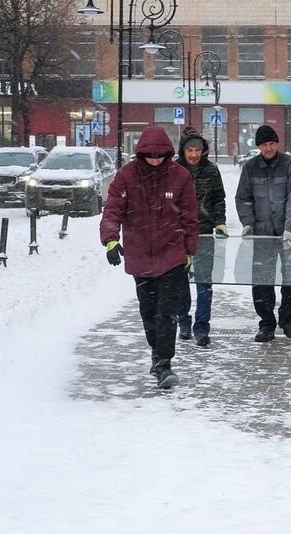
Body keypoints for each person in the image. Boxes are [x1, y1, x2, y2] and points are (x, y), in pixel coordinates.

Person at [100, 126, 199, 389]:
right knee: (148, 312)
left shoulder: (180, 176)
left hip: (172, 255)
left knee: (166, 312)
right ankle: (157, 355)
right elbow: (112, 210)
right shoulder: (126, 177)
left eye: (160, 155)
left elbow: (189, 216)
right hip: (140, 255)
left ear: (167, 153)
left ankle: (164, 363)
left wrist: (189, 250)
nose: (155, 160)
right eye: (150, 155)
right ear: (141, 153)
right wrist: (111, 240)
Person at [235, 125, 291, 342]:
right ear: (259, 146)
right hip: (262, 234)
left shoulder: (289, 165)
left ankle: (288, 319)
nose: (269, 147)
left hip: (289, 234)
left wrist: (290, 228)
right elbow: (243, 198)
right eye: (265, 144)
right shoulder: (250, 168)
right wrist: (248, 223)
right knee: (262, 279)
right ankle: (266, 323)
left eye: (272, 143)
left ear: (277, 144)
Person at [175, 127, 228, 347]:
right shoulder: (174, 170)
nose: (194, 154)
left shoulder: (212, 170)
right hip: (178, 235)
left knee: (204, 282)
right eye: (190, 150)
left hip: (204, 233)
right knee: (179, 282)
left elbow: (218, 199)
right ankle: (183, 323)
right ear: (183, 151)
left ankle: (202, 327)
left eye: (198, 150)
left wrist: (220, 221)